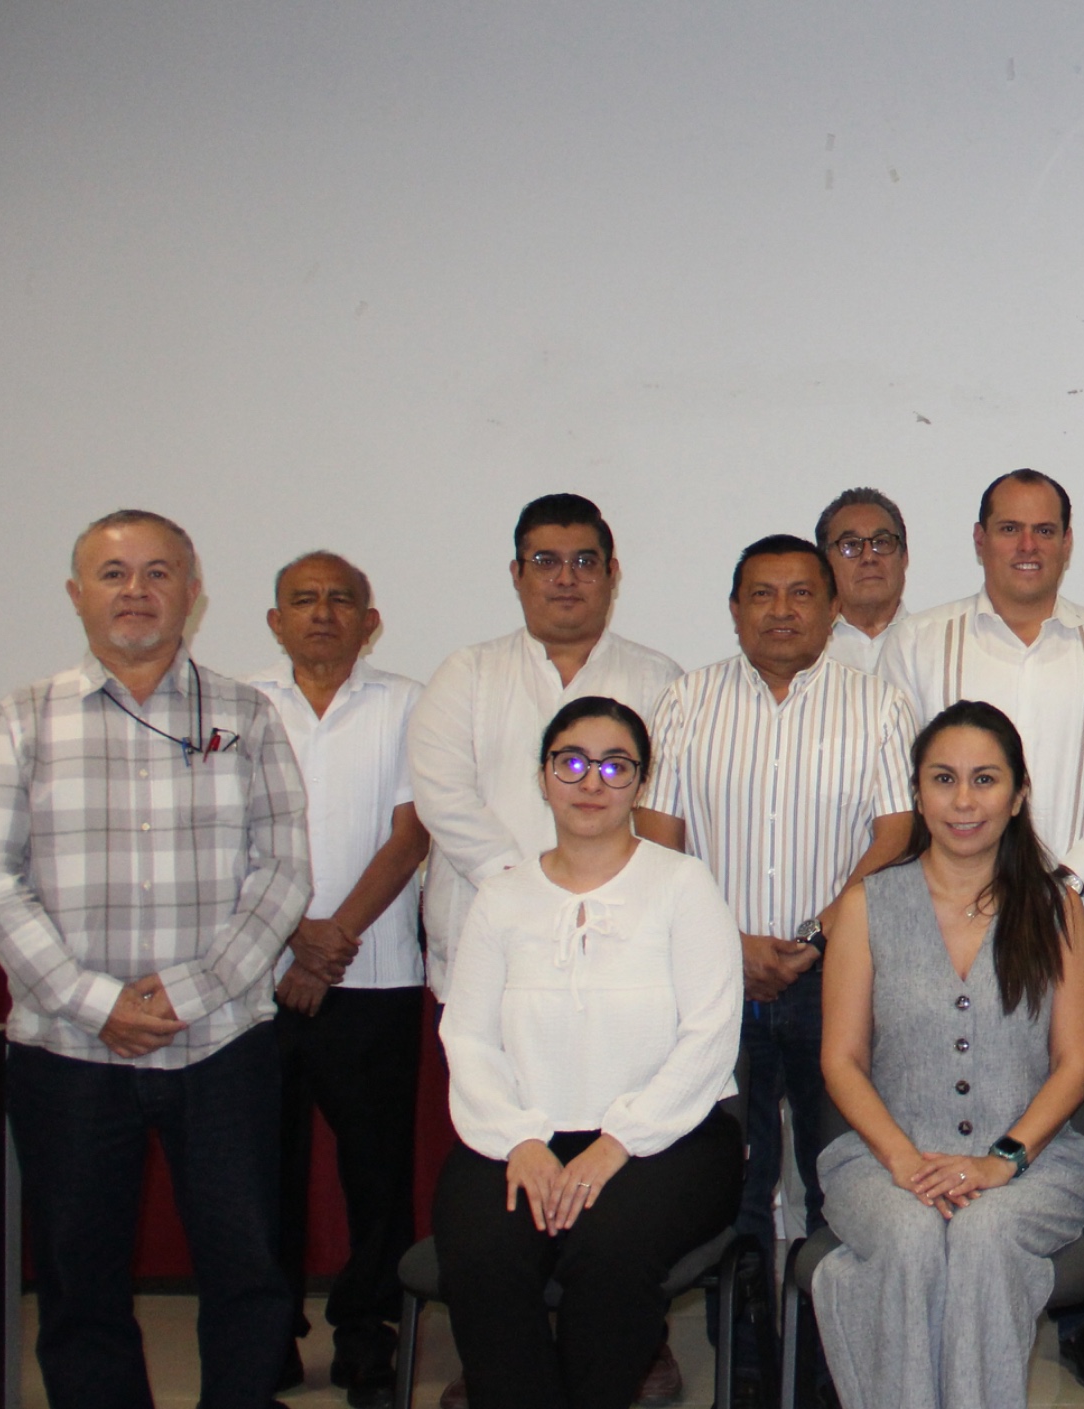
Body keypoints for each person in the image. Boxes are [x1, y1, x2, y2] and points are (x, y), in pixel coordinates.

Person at [0, 510, 312, 1409]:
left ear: (192, 593)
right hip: (68, 1049)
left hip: (222, 1042)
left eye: (159, 573)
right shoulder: (25, 716)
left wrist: (191, 991)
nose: (136, 591)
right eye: (113, 573)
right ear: (77, 593)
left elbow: (282, 870)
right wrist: (97, 1002)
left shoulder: (246, 715)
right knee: (78, 1281)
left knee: (247, 1271)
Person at [408, 492, 684, 1404]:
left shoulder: (660, 679)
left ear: (612, 572)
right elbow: (444, 796)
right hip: (494, 962)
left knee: (620, 1211)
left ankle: (630, 1346)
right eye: (545, 560)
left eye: (584, 560)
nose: (566, 578)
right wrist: (536, 890)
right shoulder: (467, 674)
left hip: (632, 977)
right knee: (500, 1194)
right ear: (517, 573)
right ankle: (505, 1364)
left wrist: (599, 886)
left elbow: (670, 810)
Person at [874, 469, 1084, 1391]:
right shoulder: (920, 642)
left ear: (1067, 540)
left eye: (1045, 529)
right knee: (924, 1101)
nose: (1028, 545)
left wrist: (1055, 886)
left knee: (1077, 1120)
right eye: (1009, 528)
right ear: (980, 537)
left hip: (1075, 925)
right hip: (934, 929)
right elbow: (900, 775)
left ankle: (1078, 1319)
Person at [633, 533, 916, 1384]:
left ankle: (835, 1364)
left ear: (831, 608)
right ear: (734, 609)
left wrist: (821, 933)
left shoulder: (877, 703)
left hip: (836, 977)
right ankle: (749, 1364)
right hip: (711, 979)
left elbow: (896, 833)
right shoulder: (685, 701)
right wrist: (728, 941)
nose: (782, 610)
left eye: (801, 593)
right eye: (762, 593)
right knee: (735, 1177)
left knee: (842, 1174)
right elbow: (656, 835)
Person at [435, 697, 745, 1409]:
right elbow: (468, 1035)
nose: (591, 781)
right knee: (483, 1251)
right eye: (571, 761)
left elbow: (709, 1035)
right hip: (519, 1134)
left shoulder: (683, 884)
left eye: (615, 765)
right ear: (543, 776)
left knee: (609, 1250)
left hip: (668, 1137)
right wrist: (520, 1138)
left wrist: (617, 1142)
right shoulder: (502, 896)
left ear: (641, 782)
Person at [811, 701, 1084, 1409]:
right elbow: (841, 1060)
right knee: (909, 1235)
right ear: (917, 794)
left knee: (984, 1234)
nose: (964, 801)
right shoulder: (866, 905)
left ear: (1019, 794)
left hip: (1034, 1162)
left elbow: (1075, 1064)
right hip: (883, 1158)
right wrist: (904, 1161)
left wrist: (1000, 1161)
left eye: (985, 779)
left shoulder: (1057, 907)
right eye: (944, 779)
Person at [246, 551, 433, 1407]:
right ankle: (268, 1330)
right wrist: (294, 935)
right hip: (255, 975)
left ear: (371, 620)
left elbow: (411, 834)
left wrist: (332, 942)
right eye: (303, 599)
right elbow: (229, 833)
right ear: (275, 620)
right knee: (258, 1167)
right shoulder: (241, 706)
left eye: (340, 600)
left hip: (377, 973)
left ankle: (367, 1331)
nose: (322, 613)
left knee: (377, 1171)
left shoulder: (407, 703)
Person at [818, 487, 911, 672]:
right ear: (825, 563)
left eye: (882, 542)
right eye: (851, 545)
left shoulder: (933, 644)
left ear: (904, 557)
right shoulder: (806, 655)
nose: (869, 557)